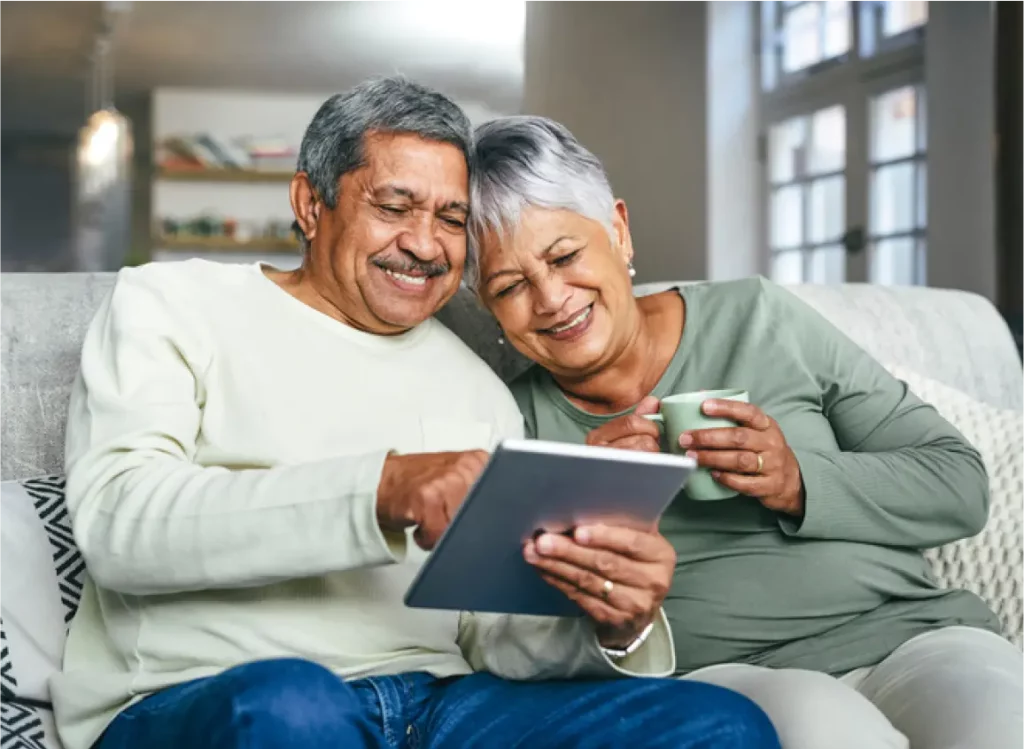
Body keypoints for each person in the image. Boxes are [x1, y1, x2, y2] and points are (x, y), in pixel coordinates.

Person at [52, 78, 780, 749]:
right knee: (294, 704)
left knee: (721, 724)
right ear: (310, 203)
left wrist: (611, 622)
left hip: (439, 708)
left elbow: (494, 633)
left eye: (451, 219)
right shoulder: (173, 306)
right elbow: (120, 523)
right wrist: (381, 489)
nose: (426, 244)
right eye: (394, 207)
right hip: (206, 696)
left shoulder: (479, 390)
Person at [468, 114, 1024, 749]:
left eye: (564, 256)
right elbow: (506, 641)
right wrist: (594, 507)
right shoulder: (510, 421)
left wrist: (798, 482)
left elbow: (958, 483)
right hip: (727, 680)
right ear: (489, 308)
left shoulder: (762, 318)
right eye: (510, 286)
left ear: (618, 231)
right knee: (829, 731)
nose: (551, 298)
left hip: (915, 637)